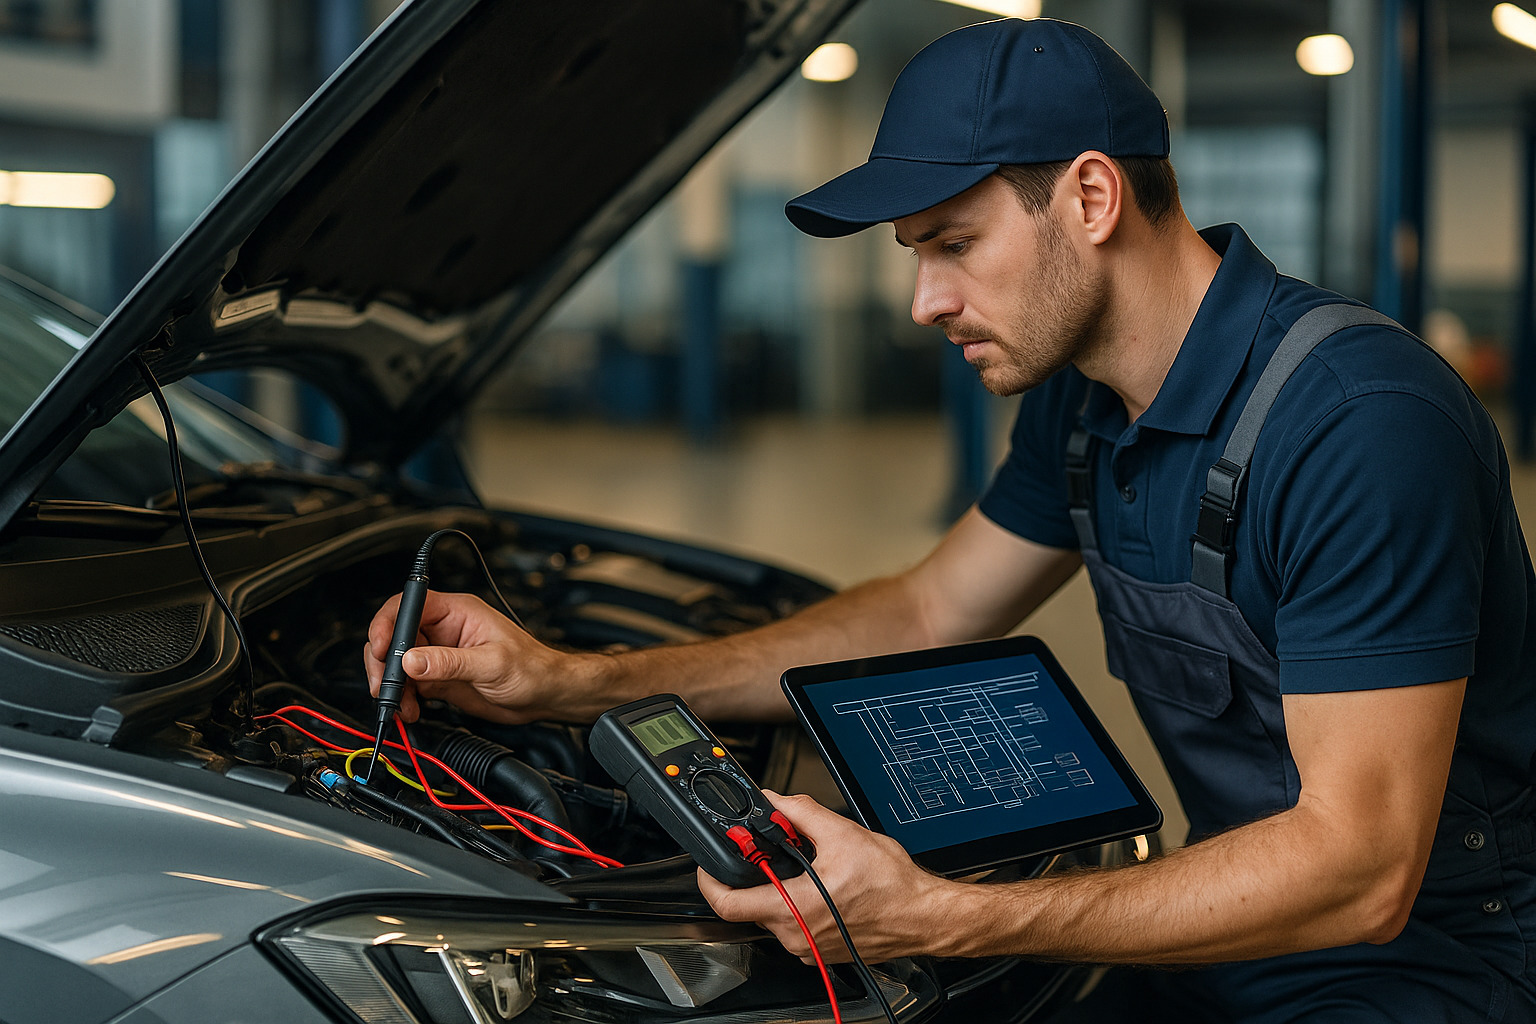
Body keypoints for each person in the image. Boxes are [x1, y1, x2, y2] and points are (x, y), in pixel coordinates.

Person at [367, 18, 1536, 1022]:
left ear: (1091, 197)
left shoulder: (1357, 424)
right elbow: (929, 610)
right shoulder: (1086, 401)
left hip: (1437, 968)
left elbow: (1359, 869)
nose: (925, 301)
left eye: (954, 244)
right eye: (915, 254)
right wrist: (573, 683)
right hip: (1242, 939)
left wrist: (940, 913)